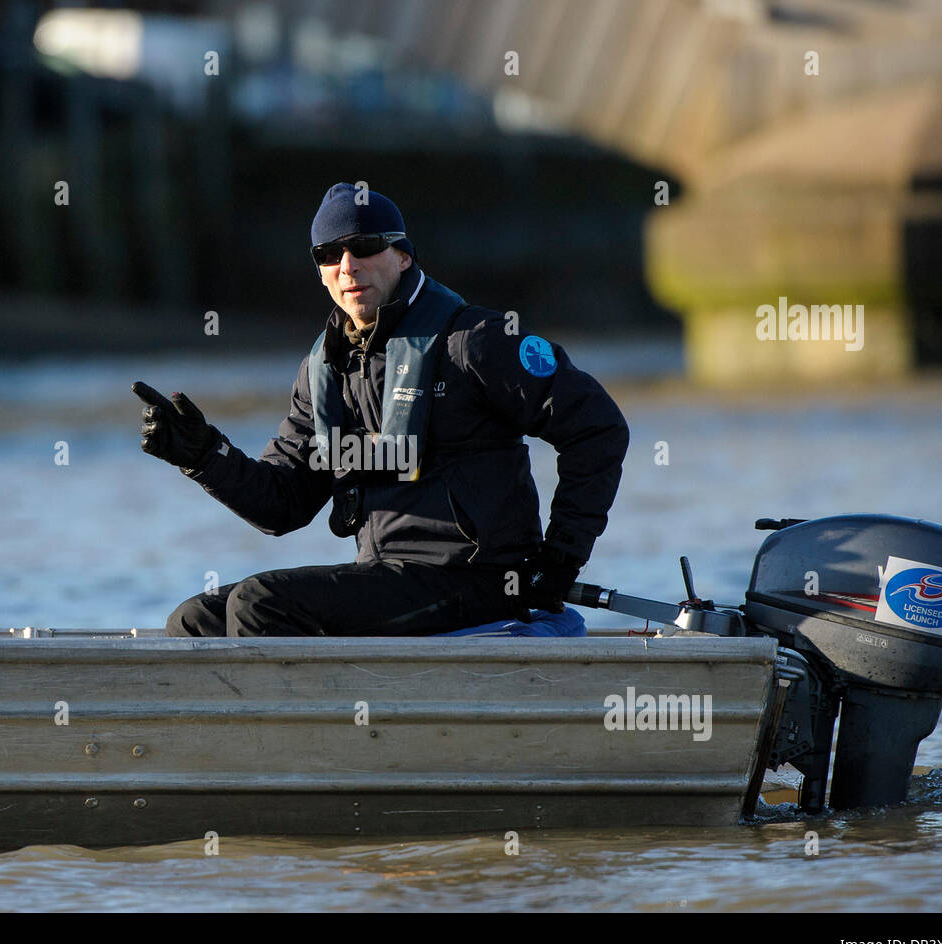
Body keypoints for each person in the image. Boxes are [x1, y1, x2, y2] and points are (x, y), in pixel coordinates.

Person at [135, 182, 629, 637]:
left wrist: (560, 559)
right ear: (321, 271)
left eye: (364, 247)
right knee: (194, 620)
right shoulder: (323, 372)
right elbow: (282, 505)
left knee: (260, 604)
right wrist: (204, 458)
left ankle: (303, 732)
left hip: (482, 579)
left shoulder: (477, 342)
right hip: (387, 576)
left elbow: (598, 428)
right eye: (329, 254)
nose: (347, 265)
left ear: (402, 256)